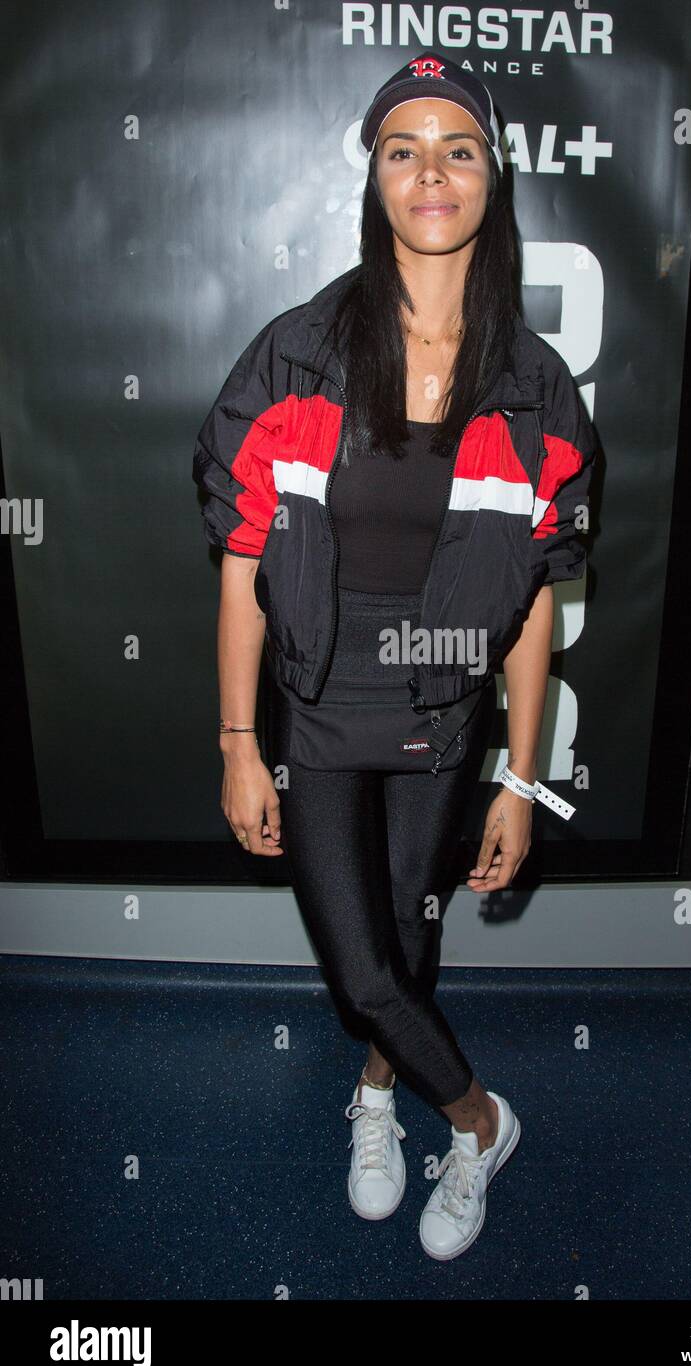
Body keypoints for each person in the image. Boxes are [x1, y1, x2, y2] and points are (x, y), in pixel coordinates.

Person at [192, 52, 596, 1261]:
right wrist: (236, 744)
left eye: (457, 147)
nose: (431, 169)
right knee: (362, 966)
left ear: (492, 176)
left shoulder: (532, 387)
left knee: (410, 948)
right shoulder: (296, 352)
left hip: (441, 717)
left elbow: (529, 608)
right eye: (402, 147)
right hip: (318, 712)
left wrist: (519, 781)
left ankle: (377, 1096)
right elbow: (240, 564)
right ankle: (476, 1119)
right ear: (373, 175)